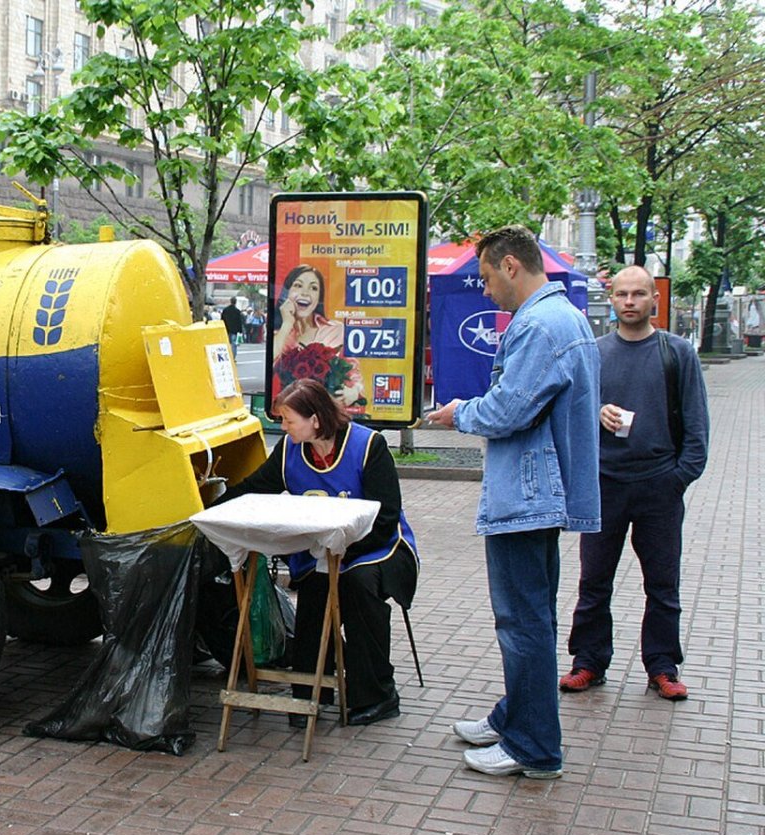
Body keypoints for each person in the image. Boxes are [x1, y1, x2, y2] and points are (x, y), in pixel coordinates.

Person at [427, 225, 600, 780]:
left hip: (527, 495)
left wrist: (459, 414)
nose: (484, 291)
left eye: (484, 277)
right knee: (532, 617)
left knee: (522, 621)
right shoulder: (563, 317)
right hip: (538, 492)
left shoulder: (540, 325)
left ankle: (533, 746)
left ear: (509, 267)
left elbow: (508, 410)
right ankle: (515, 718)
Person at [218, 378, 418, 728]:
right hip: (322, 554)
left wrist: (342, 551)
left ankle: (377, 694)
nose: (282, 427)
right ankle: (311, 690)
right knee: (313, 593)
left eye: (288, 420)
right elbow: (254, 487)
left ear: (316, 420)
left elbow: (386, 518)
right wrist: (207, 509)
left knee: (356, 585)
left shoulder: (369, 445)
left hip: (378, 548)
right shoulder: (289, 451)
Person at [559, 265, 709, 701]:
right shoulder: (595, 352)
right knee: (594, 581)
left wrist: (677, 479)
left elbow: (697, 429)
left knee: (663, 583)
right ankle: (588, 660)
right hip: (605, 484)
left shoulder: (676, 353)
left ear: (654, 300)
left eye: (638, 294)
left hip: (659, 485)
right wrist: (596, 412)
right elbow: (572, 414)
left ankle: (662, 665)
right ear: (612, 299)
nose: (629, 302)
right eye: (622, 294)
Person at [273, 264, 364, 407]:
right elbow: (270, 364)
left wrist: (354, 391)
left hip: (331, 411)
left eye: (313, 288)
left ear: (319, 298)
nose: (305, 293)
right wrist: (286, 325)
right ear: (286, 293)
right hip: (292, 410)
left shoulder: (336, 330)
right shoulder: (280, 334)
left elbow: (354, 374)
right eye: (298, 285)